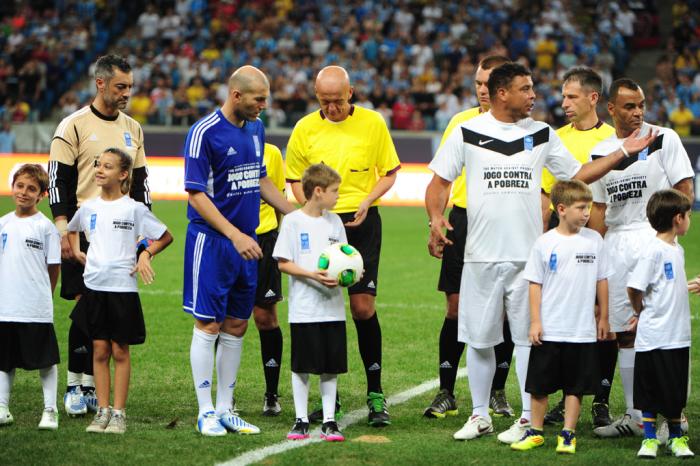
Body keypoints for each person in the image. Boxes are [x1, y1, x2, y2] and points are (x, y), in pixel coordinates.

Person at [425, 62, 655, 443]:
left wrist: (621, 154)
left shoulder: (542, 134)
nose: (534, 95)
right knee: (480, 339)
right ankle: (479, 415)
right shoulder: (467, 131)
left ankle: (525, 419)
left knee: (526, 340)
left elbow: (578, 173)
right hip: (479, 253)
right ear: (503, 93)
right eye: (526, 89)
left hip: (527, 258)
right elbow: (440, 181)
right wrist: (435, 217)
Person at [285, 65, 401, 427]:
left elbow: (390, 171)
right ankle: (324, 398)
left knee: (363, 309)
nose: (332, 108)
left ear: (351, 93)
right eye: (325, 101)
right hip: (321, 222)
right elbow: (293, 179)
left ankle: (375, 393)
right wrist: (311, 213)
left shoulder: (373, 123)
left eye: (338, 101)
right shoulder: (304, 128)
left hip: (361, 222)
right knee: (321, 309)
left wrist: (367, 201)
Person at [183, 65, 294, 437]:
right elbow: (196, 194)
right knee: (209, 324)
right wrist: (233, 235)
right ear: (236, 95)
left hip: (246, 242)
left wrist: (294, 214)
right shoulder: (203, 133)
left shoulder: (256, 128)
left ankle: (227, 408)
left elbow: (259, 177)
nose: (264, 105)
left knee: (236, 324)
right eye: (258, 99)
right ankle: (205, 412)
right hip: (214, 242)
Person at [587, 78, 695, 439]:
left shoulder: (665, 138)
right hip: (617, 246)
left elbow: (685, 188)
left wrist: (672, 237)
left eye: (642, 105)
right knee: (625, 334)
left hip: (655, 240)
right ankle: (636, 416)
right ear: (611, 109)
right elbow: (600, 208)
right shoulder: (601, 151)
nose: (638, 113)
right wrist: (597, 255)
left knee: (665, 330)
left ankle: (672, 418)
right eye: (629, 106)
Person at [48, 54, 151, 417]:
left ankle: (93, 386)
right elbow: (57, 180)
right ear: (101, 84)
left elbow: (141, 187)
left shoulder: (133, 129)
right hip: (83, 230)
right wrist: (63, 229)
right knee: (84, 304)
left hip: (120, 231)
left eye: (130, 87)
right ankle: (76, 384)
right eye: (121, 86)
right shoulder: (73, 125)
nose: (127, 93)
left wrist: (144, 243)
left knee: (107, 307)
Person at [424, 55, 517, 420]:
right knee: (455, 307)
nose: (481, 90)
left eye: (488, 84)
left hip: (506, 222)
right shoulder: (461, 123)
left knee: (508, 314)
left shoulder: (524, 128)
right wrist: (435, 219)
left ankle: (498, 392)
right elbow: (441, 179)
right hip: (463, 222)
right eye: (478, 83)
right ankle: (446, 391)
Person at [67, 148, 172, 434]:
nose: (100, 170)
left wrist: (145, 254)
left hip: (123, 288)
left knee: (119, 350)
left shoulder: (134, 208)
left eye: (108, 166)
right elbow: (72, 229)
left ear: (124, 174)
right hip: (94, 287)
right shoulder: (88, 206)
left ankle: (119, 414)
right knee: (99, 350)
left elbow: (164, 236)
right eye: (98, 165)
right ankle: (101, 412)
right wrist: (76, 252)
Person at [539, 67, 617, 429]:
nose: (564, 102)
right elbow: (546, 194)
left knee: (603, 323)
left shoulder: (614, 141)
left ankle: (601, 399)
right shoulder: (555, 139)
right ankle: (565, 398)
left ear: (593, 98)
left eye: (571, 96)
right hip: (563, 250)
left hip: (604, 247)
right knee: (566, 324)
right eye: (563, 95)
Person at [510, 180, 611, 455]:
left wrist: (603, 317)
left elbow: (602, 280)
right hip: (551, 328)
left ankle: (568, 434)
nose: (587, 213)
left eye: (589, 207)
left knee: (574, 386)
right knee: (540, 385)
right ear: (562, 209)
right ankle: (536, 431)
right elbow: (535, 284)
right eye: (581, 207)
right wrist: (535, 321)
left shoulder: (595, 240)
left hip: (581, 330)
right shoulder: (545, 242)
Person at [273, 163, 348, 442]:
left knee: (330, 366)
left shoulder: (335, 222)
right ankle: (301, 419)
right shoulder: (293, 221)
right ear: (318, 191)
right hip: (304, 309)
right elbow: (283, 263)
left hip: (333, 308)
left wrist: (348, 275)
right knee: (302, 365)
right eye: (334, 191)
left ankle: (329, 421)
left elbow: (346, 258)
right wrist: (313, 276)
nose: (338, 195)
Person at [627, 189, 694, 459]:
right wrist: (639, 311)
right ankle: (650, 440)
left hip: (678, 336)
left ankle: (677, 439)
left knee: (675, 391)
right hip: (655, 336)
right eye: (688, 215)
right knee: (650, 389)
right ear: (678, 219)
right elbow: (634, 287)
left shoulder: (676, 249)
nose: (689, 219)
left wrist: (689, 285)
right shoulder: (653, 251)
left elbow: (666, 286)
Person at [0, 165, 61, 430]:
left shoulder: (46, 228)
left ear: (42, 195)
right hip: (6, 305)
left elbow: (54, 267)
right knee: (4, 360)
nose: (24, 192)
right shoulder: (2, 223)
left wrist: (44, 297)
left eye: (31, 189)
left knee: (45, 360)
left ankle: (50, 410)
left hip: (35, 306)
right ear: (12, 187)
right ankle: (2, 406)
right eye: (20, 186)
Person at [252, 142, 285, 416]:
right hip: (229, 238)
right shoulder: (216, 141)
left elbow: (277, 199)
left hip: (265, 239)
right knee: (227, 320)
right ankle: (223, 396)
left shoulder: (271, 152)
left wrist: (278, 242)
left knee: (265, 318)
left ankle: (272, 394)